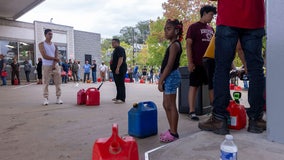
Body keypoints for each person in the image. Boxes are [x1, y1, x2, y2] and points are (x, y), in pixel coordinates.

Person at [199, 0, 266, 134]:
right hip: (254, 15)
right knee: (255, 70)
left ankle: (219, 119)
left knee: (222, 69)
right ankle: (256, 120)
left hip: (229, 14)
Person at [186, 5, 216, 121]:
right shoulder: (193, 27)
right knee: (194, 86)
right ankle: (192, 111)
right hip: (197, 63)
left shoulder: (211, 29)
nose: (212, 18)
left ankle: (214, 111)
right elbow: (188, 45)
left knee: (211, 86)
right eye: (211, 15)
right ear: (204, 13)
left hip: (210, 63)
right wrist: (190, 62)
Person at [158, 19, 183, 143]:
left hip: (171, 76)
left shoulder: (175, 45)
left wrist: (160, 80)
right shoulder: (172, 44)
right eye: (165, 29)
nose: (166, 32)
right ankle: (171, 129)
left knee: (171, 105)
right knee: (165, 104)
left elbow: (169, 65)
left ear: (176, 30)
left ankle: (174, 132)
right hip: (168, 76)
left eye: (169, 29)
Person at [38, 28, 63, 105]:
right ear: (45, 35)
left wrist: (54, 64)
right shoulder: (41, 44)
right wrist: (55, 59)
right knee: (46, 83)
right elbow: (44, 56)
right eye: (49, 34)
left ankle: (58, 98)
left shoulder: (54, 45)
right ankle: (46, 98)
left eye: (51, 34)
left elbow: (57, 55)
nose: (51, 35)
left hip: (55, 66)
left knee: (58, 82)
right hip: (46, 66)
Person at [110, 39, 127, 104]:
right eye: (112, 43)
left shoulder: (120, 49)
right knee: (117, 84)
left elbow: (121, 58)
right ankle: (118, 97)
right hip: (115, 69)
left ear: (118, 43)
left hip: (120, 69)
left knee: (120, 84)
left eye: (113, 43)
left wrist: (118, 68)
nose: (112, 44)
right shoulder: (115, 50)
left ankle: (122, 98)